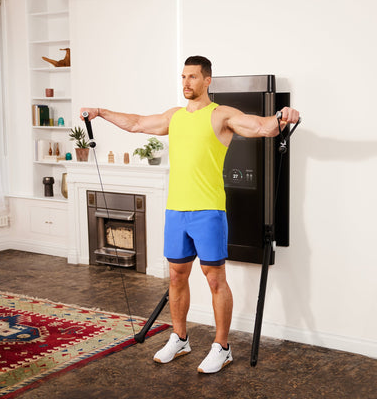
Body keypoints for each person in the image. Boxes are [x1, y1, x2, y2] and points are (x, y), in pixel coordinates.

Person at [80, 55, 300, 373]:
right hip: (176, 211)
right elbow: (137, 123)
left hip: (208, 211)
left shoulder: (221, 115)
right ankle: (180, 338)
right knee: (176, 276)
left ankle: (222, 347)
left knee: (214, 279)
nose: (186, 82)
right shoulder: (175, 116)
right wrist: (101, 112)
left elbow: (261, 127)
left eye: (193, 77)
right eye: (183, 76)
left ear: (207, 80)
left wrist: (282, 116)